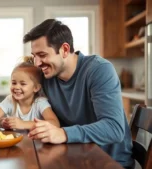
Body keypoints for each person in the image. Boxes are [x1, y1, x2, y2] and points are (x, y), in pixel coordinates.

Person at [24, 19, 134, 168]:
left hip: (109, 162)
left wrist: (63, 133)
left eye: (42, 55)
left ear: (64, 49)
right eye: (34, 56)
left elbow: (114, 128)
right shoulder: (47, 76)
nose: (37, 63)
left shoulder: (99, 70)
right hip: (75, 155)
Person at [0, 56, 60, 130]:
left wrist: (23, 124)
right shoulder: (10, 100)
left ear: (36, 88)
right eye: (14, 83)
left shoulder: (40, 102)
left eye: (23, 84)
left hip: (36, 146)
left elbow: (55, 124)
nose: (16, 87)